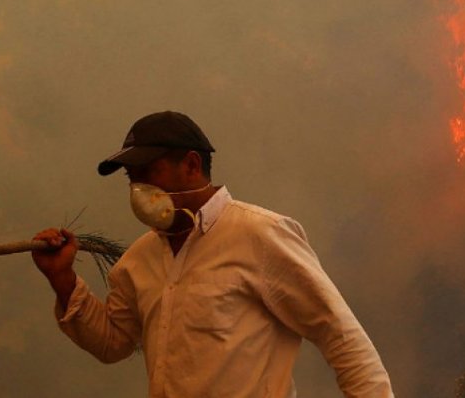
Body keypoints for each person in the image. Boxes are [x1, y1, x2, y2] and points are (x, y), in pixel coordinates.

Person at [32, 111, 394, 397]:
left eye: (150, 172)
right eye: (132, 177)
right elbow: (112, 343)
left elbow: (340, 335)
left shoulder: (259, 234)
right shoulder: (139, 260)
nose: (139, 188)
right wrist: (62, 280)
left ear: (191, 165)